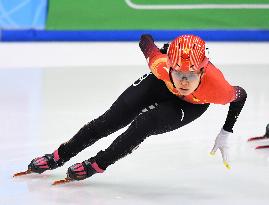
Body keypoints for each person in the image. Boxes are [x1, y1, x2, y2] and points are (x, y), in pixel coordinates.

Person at [26, 34, 247, 181]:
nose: (184, 81)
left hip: (191, 105)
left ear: (202, 72)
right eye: (178, 73)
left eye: (190, 75)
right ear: (169, 67)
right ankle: (58, 156)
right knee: (109, 121)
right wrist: (150, 42)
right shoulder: (160, 66)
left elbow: (241, 96)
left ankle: (98, 164)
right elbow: (146, 44)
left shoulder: (218, 88)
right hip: (158, 86)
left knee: (145, 123)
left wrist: (226, 131)